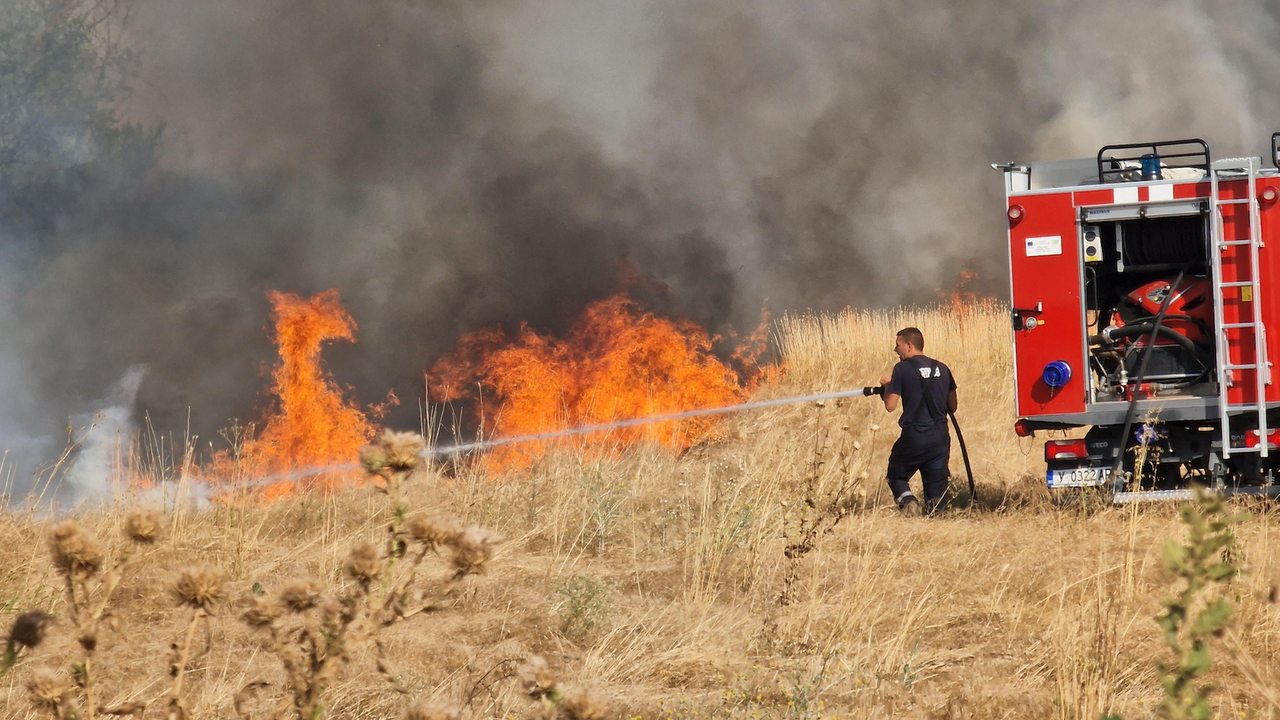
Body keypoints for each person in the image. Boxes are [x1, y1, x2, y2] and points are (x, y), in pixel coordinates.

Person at [878, 327, 958, 516]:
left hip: (915, 436)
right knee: (936, 488)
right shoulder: (942, 368)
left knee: (896, 475)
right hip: (940, 437)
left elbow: (890, 405)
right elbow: (952, 406)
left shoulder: (902, 368)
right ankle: (936, 516)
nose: (895, 350)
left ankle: (908, 501)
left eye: (897, 345)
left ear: (909, 345)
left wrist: (887, 386)